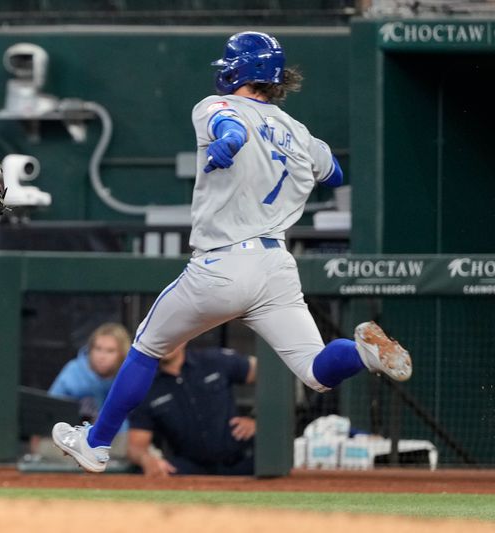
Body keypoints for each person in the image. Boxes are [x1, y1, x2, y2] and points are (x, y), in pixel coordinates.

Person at [52, 31, 413, 473]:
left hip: (222, 263)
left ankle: (96, 443)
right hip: (276, 267)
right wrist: (292, 151)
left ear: (239, 70)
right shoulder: (299, 131)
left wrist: (232, 143)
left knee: (146, 347)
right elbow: (334, 173)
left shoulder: (213, 105)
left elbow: (231, 125)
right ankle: (362, 354)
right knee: (316, 372)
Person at [127, 343, 256, 477]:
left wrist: (258, 419)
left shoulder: (215, 360)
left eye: (170, 337)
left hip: (242, 459)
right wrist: (148, 460)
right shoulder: (145, 386)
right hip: (190, 467)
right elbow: (136, 447)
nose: (165, 343)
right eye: (159, 338)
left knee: (272, 462)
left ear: (184, 338)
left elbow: (270, 373)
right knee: (152, 472)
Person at [48, 322, 131, 422]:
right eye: (98, 348)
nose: (102, 356)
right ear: (90, 349)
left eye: (110, 351)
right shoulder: (73, 370)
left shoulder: (130, 377)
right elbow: (49, 410)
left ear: (122, 353)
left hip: (118, 433)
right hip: (73, 433)